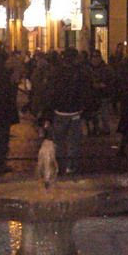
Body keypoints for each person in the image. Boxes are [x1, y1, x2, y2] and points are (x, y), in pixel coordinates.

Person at [42, 47, 90, 175]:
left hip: (59, 112)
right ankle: (71, 167)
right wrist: (85, 111)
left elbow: (50, 94)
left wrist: (47, 114)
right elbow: (86, 93)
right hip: (75, 112)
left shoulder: (56, 73)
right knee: (73, 141)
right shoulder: (80, 73)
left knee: (59, 141)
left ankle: (60, 166)